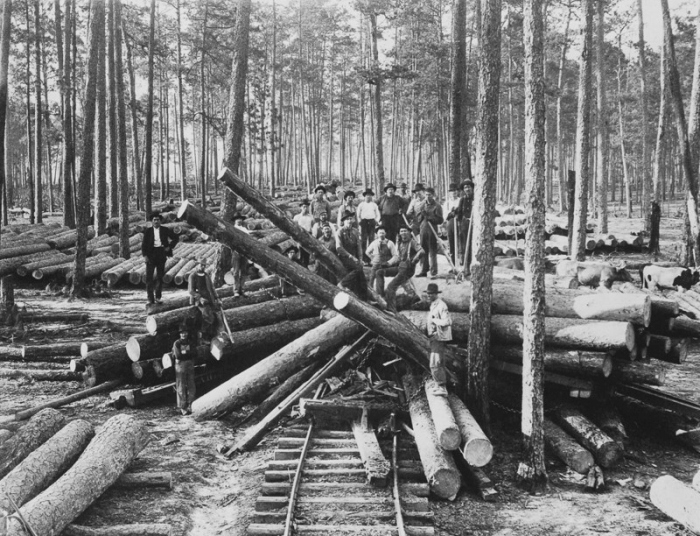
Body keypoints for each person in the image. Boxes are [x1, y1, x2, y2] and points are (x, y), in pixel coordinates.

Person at [385, 224, 424, 311]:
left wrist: (413, 261)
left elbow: (422, 251)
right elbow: (399, 257)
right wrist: (389, 263)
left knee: (391, 287)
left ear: (409, 232)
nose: (403, 233)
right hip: (401, 267)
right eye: (401, 231)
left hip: (407, 269)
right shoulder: (400, 243)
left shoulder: (412, 242)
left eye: (405, 231)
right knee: (381, 272)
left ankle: (391, 309)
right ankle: (415, 299)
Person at [142, 212, 177, 305]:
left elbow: (175, 237)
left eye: (158, 220)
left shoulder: (165, 230)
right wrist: (145, 256)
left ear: (160, 221)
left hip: (161, 253)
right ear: (152, 222)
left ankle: (158, 297)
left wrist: (169, 247)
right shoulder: (148, 231)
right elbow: (144, 245)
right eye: (154, 220)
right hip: (151, 255)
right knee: (149, 278)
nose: (156, 221)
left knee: (159, 277)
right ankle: (150, 298)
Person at [425, 283, 452, 396]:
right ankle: (438, 385)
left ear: (436, 294)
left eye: (431, 294)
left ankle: (442, 387)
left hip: (439, 337)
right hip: (434, 337)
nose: (429, 296)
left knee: (435, 362)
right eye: (428, 294)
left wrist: (435, 321)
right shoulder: (433, 305)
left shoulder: (442, 306)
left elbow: (447, 322)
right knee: (437, 362)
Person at [188, 257, 223, 341]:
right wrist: (200, 298)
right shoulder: (193, 275)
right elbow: (191, 291)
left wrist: (217, 298)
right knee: (207, 315)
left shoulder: (206, 275)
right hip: (199, 301)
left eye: (204, 266)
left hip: (209, 298)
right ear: (197, 265)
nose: (203, 267)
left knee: (216, 315)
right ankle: (204, 337)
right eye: (201, 265)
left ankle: (214, 335)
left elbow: (212, 288)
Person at [413, 187, 443, 278]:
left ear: (433, 195)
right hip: (423, 229)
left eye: (429, 195)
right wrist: (421, 215)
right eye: (426, 195)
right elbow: (418, 219)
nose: (427, 197)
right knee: (423, 250)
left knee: (432, 250)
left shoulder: (437, 206)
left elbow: (440, 220)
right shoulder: (422, 205)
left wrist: (429, 218)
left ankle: (433, 271)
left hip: (432, 230)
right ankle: (424, 270)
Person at [365, 226, 399, 296]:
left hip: (386, 265)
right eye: (379, 233)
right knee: (371, 279)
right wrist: (373, 258)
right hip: (376, 264)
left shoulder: (390, 243)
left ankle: (381, 294)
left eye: (383, 233)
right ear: (377, 234)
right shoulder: (374, 243)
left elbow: (395, 256)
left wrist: (389, 263)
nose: (381, 235)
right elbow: (367, 252)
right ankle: (370, 295)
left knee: (380, 275)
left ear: (385, 233)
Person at [172, 322, 197, 415]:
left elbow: (195, 353)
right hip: (180, 366)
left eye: (185, 332)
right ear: (180, 334)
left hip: (189, 364)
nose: (184, 334)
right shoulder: (177, 343)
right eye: (182, 333)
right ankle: (183, 407)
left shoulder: (190, 342)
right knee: (181, 386)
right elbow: (178, 355)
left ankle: (192, 404)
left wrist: (184, 353)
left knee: (191, 384)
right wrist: (187, 353)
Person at [357, 189, 381, 265]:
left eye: (370, 195)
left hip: (371, 222)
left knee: (371, 239)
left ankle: (371, 259)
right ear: (364, 196)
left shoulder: (374, 205)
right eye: (367, 195)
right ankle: (364, 259)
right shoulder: (361, 205)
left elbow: (378, 214)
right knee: (363, 240)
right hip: (363, 222)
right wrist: (359, 221)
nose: (368, 197)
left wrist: (376, 220)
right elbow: (358, 214)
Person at [230, 213, 250, 296]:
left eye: (240, 219)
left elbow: (249, 240)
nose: (239, 220)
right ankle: (236, 290)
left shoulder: (244, 229)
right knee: (236, 271)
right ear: (235, 220)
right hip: (236, 252)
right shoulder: (232, 229)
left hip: (244, 252)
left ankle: (242, 289)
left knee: (244, 271)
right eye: (237, 219)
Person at [456, 179, 474, 270]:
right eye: (465, 187)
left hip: (474, 225)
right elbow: (459, 213)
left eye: (469, 187)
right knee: (464, 245)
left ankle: (473, 266)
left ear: (472, 188)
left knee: (473, 245)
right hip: (464, 225)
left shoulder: (476, 199)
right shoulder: (462, 200)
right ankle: (466, 266)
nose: (467, 189)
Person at [443, 183, 462, 269]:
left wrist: (457, 212)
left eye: (455, 191)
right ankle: (453, 265)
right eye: (451, 191)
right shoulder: (447, 203)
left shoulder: (460, 201)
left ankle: (462, 263)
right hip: (450, 224)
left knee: (460, 242)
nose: (453, 193)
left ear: (457, 192)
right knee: (451, 244)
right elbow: (444, 216)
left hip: (460, 223)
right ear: (449, 193)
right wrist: (450, 213)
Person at [293, 200, 314, 266]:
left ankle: (306, 267)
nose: (305, 208)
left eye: (307, 207)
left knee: (307, 254)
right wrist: (297, 240)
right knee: (300, 253)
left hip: (309, 235)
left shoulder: (311, 217)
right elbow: (294, 229)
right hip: (300, 236)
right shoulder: (297, 217)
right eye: (304, 207)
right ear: (301, 208)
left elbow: (313, 227)